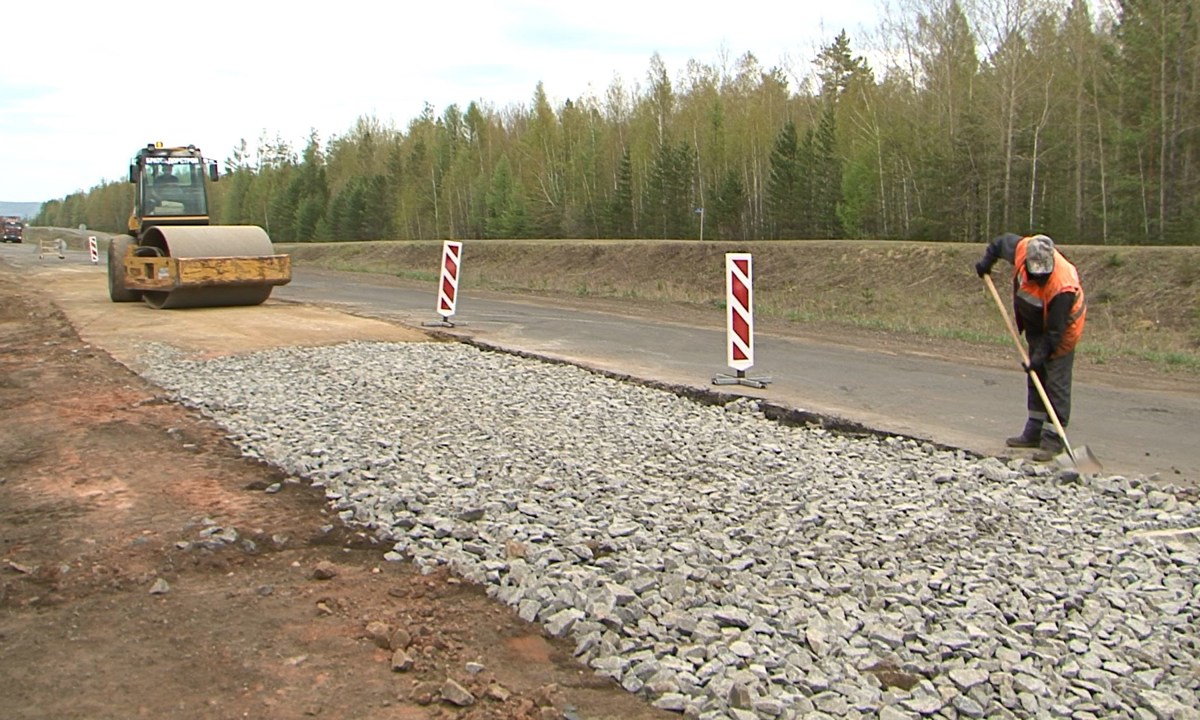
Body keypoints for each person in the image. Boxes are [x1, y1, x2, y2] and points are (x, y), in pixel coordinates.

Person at [975, 233, 1088, 461]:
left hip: (1063, 330)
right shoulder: (1021, 249)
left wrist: (1038, 358)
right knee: (1036, 378)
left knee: (1055, 382)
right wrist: (986, 263)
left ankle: (1053, 440)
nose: (1039, 279)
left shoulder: (1062, 286)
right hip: (1036, 324)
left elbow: (1055, 333)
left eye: (1043, 275)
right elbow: (999, 243)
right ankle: (1033, 432)